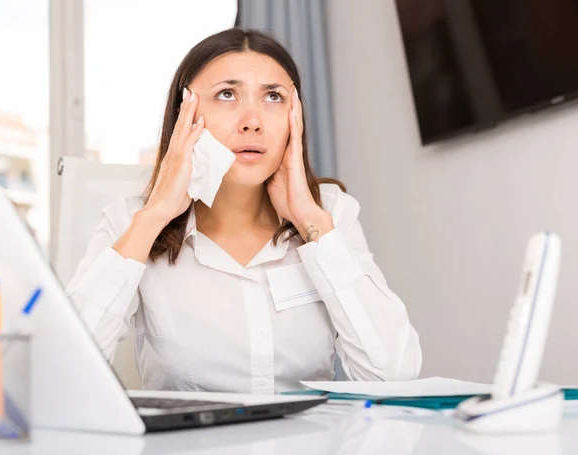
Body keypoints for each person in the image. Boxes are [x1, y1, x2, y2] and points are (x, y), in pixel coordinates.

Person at [67, 27, 421, 394]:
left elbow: (393, 377)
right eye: (226, 94)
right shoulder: (131, 222)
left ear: (294, 117)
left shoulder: (330, 214)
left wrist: (311, 223)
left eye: (273, 96)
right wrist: (156, 214)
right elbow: (64, 374)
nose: (252, 120)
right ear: (184, 114)